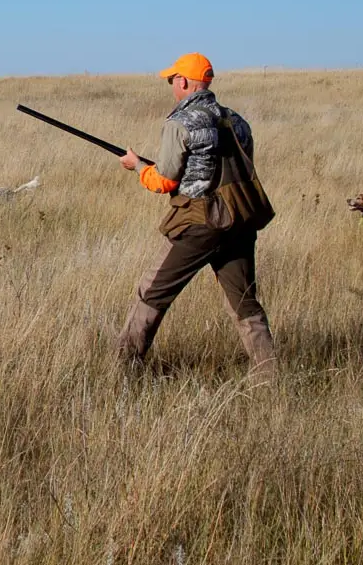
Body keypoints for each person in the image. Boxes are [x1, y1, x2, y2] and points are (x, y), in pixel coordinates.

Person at [116, 53, 277, 379]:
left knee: (152, 292)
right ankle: (269, 377)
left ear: (184, 82)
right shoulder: (237, 121)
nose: (171, 85)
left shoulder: (180, 122)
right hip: (240, 223)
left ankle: (124, 371)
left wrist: (139, 168)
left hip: (200, 224)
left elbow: (165, 181)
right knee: (245, 303)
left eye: (172, 80)